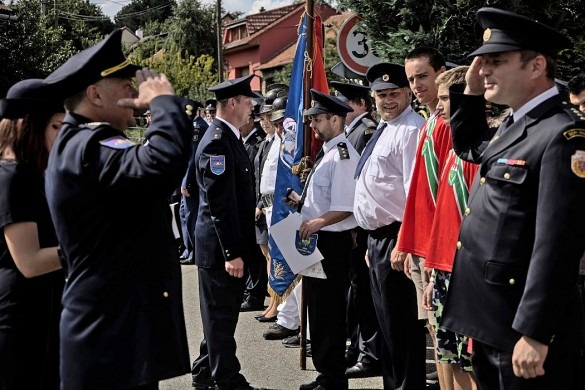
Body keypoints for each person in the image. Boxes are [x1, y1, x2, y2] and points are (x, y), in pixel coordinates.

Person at [441, 8, 585, 390]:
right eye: (482, 61)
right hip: (492, 318)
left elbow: (557, 244)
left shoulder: (561, 135)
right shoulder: (515, 123)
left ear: (537, 65)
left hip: (523, 327)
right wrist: (471, 92)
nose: (483, 69)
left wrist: (536, 332)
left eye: (496, 61)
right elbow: (470, 147)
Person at [43, 29, 191, 389]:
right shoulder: (91, 145)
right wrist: (163, 103)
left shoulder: (85, 143)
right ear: (94, 94)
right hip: (110, 337)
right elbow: (161, 162)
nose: (133, 90)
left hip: (113, 330)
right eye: (124, 83)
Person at [353, 62, 426, 390]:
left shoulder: (411, 129)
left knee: (402, 327)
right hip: (378, 240)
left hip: (398, 237)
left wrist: (404, 242)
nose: (387, 100)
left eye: (394, 93)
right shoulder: (384, 128)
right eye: (381, 95)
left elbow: (415, 193)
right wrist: (373, 241)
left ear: (408, 93)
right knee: (387, 326)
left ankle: (406, 386)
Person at [190, 74, 265, 390]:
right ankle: (227, 380)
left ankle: (205, 371)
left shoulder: (227, 136)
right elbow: (219, 205)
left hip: (225, 246)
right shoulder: (219, 140)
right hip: (221, 250)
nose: (251, 109)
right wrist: (232, 254)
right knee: (221, 318)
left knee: (219, 316)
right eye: (248, 103)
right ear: (232, 103)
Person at [286, 89, 359, 390]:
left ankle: (332, 378)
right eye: (312, 119)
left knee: (328, 312)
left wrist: (317, 221)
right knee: (318, 309)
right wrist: (300, 203)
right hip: (318, 240)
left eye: (318, 119)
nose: (313, 124)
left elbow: (345, 206)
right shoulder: (328, 151)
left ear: (335, 119)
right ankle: (325, 374)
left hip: (332, 243)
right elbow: (324, 199)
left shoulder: (342, 156)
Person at [0, 79, 65, 390]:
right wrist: (91, 245)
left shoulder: (30, 173)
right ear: (28, 126)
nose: (62, 136)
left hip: (41, 307)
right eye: (55, 126)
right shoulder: (13, 178)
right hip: (19, 317)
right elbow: (29, 261)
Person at [420, 65, 478, 390]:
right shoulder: (457, 150)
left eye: (444, 99)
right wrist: (433, 273)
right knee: (448, 356)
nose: (438, 106)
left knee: (470, 364)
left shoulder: (474, 156)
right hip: (444, 271)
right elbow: (443, 219)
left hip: (465, 275)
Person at [395, 46, 450, 387]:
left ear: (441, 72)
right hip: (421, 244)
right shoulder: (430, 123)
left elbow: (445, 196)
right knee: (433, 330)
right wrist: (406, 241)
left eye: (423, 76)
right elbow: (416, 193)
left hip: (437, 246)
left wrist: (430, 248)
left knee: (444, 336)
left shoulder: (443, 125)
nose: (416, 85)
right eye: (411, 78)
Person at [330, 81, 382, 378]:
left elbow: (357, 181)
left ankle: (370, 351)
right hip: (355, 226)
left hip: (361, 226)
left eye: (346, 102)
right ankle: (358, 347)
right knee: (356, 292)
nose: (342, 108)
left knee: (363, 292)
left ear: (360, 104)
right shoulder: (353, 132)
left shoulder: (367, 131)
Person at [179, 99, 208, 265]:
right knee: (184, 215)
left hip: (192, 182)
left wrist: (186, 183)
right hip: (186, 179)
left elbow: (192, 158)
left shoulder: (197, 127)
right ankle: (188, 249)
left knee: (191, 217)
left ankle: (193, 251)